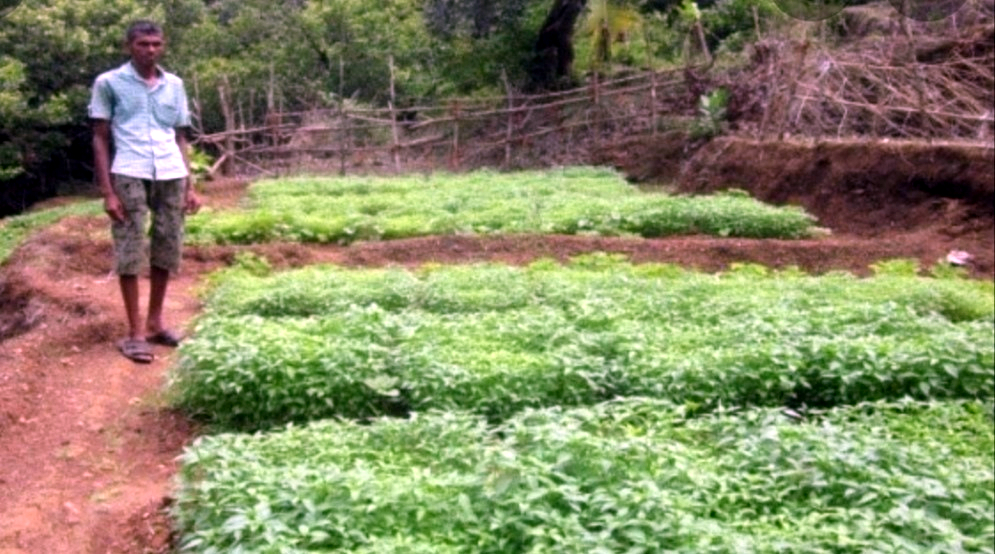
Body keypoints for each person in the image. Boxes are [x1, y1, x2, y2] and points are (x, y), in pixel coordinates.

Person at [89, 20, 202, 363]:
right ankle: (135, 332)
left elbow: (181, 136)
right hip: (129, 171)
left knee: (168, 244)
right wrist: (107, 192)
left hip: (171, 172)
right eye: (143, 44)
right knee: (130, 247)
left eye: (155, 44)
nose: (150, 50)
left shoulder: (175, 86)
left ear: (162, 46)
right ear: (129, 47)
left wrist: (190, 185)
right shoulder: (109, 83)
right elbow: (100, 137)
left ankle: (155, 322)